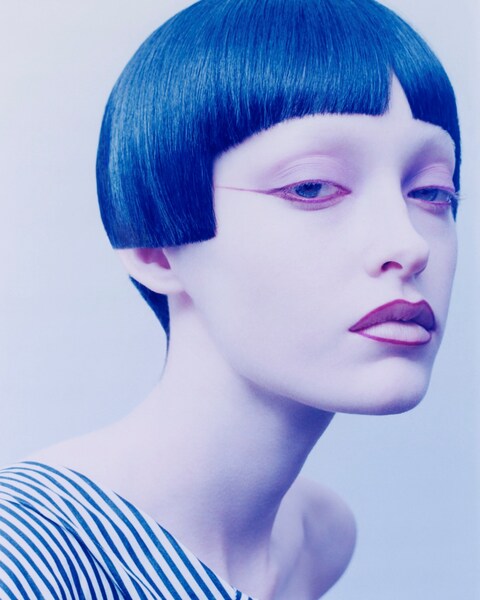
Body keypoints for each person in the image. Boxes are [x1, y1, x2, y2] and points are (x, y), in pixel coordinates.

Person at [0, 0, 461, 598]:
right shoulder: (26, 557)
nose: (409, 244)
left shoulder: (319, 537)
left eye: (431, 192)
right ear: (156, 248)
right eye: (312, 187)